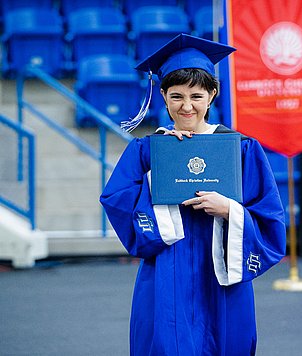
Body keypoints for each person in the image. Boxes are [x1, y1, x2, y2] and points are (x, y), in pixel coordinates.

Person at [100, 33, 286, 356]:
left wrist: (229, 208)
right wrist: (157, 170)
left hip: (222, 280)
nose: (187, 106)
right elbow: (117, 200)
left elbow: (271, 219)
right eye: (176, 96)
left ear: (212, 95)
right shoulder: (147, 151)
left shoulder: (240, 149)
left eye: (197, 96)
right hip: (165, 277)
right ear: (162, 95)